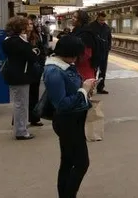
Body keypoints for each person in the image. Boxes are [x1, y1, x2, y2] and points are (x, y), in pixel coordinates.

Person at [44, 35, 96, 198]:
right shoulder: (54, 72)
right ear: (68, 52)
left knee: (68, 162)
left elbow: (70, 90)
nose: (76, 59)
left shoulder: (65, 65)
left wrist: (85, 88)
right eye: (75, 55)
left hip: (74, 119)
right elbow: (62, 104)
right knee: (82, 163)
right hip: (68, 122)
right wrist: (83, 90)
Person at [1, 16, 40, 140]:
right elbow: (31, 57)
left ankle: (20, 128)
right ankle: (21, 131)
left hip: (13, 74)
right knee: (22, 104)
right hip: (21, 75)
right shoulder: (20, 42)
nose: (27, 27)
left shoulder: (7, 41)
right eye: (25, 25)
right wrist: (33, 51)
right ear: (20, 27)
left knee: (18, 103)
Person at [27, 15, 46, 126]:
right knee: (23, 96)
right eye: (27, 24)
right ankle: (19, 120)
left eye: (31, 24)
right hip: (24, 71)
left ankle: (34, 118)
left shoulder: (36, 37)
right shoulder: (20, 38)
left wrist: (41, 65)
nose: (30, 26)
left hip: (35, 70)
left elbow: (42, 52)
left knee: (34, 94)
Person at [71, 10, 100, 80]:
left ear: (81, 20)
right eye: (73, 16)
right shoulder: (77, 30)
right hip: (77, 66)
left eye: (75, 17)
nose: (72, 18)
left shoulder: (86, 34)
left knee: (84, 88)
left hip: (84, 67)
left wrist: (71, 60)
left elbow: (87, 54)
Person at [90, 12, 112, 94]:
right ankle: (90, 88)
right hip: (95, 52)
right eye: (101, 20)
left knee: (103, 71)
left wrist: (108, 47)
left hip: (104, 52)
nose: (102, 21)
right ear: (97, 17)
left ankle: (100, 88)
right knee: (93, 71)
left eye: (103, 20)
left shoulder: (106, 27)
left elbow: (109, 38)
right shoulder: (91, 26)